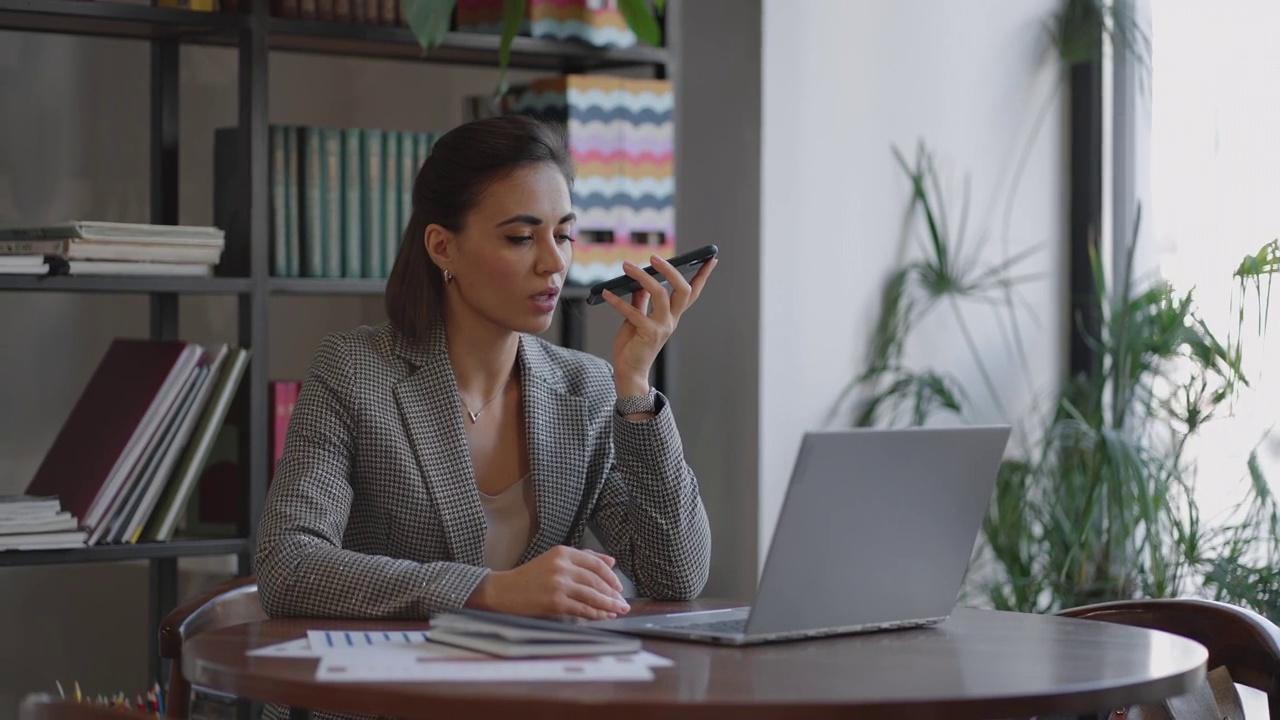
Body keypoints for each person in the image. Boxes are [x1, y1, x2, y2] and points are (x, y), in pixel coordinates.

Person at [254, 114, 717, 625]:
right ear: (441, 246)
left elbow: (675, 574)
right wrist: (489, 591)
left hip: (529, 694)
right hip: (390, 693)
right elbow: (289, 566)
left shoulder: (586, 390)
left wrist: (634, 389)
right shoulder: (353, 372)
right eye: (521, 237)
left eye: (563, 235)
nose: (553, 263)